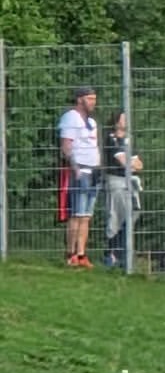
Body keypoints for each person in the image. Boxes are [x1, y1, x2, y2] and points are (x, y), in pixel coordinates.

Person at [58, 86, 102, 267]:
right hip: (80, 170)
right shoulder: (71, 117)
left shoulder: (91, 122)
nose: (93, 102)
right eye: (89, 98)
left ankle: (82, 254)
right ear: (79, 99)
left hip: (94, 170)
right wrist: (75, 167)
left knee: (86, 215)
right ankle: (71, 254)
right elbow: (66, 145)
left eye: (94, 99)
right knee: (76, 213)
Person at [101, 111, 142, 268]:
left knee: (133, 213)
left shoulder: (128, 140)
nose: (126, 121)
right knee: (116, 217)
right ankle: (112, 253)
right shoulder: (111, 139)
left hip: (130, 182)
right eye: (123, 118)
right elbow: (123, 162)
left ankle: (120, 251)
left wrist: (130, 164)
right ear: (116, 121)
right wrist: (130, 163)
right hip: (116, 181)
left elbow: (139, 165)